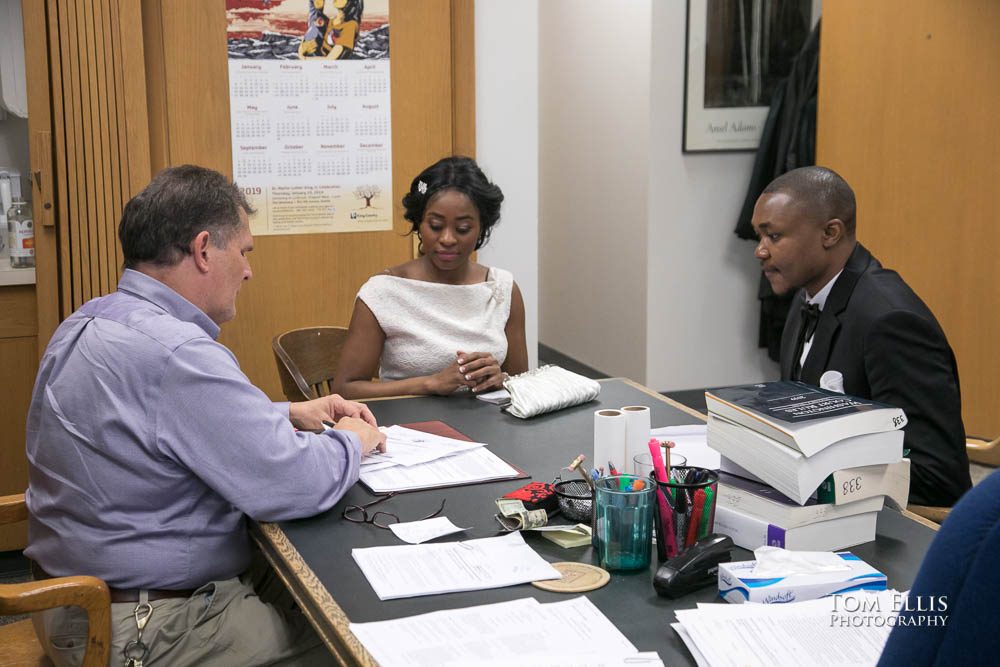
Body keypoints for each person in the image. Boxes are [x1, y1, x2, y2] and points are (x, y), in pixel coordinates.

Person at [25, 165, 386, 666]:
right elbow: (295, 481)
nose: (247, 270)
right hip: (141, 627)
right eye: (243, 251)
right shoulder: (177, 353)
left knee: (318, 584)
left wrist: (284, 413)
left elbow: (155, 427)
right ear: (202, 250)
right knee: (361, 633)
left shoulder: (87, 320)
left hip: (68, 601)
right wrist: (352, 439)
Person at [751, 166, 970, 507]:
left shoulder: (891, 321)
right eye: (759, 237)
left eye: (774, 236)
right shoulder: (805, 297)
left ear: (830, 232)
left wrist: (821, 482)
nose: (760, 251)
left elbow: (938, 478)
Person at [333, 156, 528, 399]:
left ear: (482, 229)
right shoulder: (384, 292)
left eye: (463, 229)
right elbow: (345, 389)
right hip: (407, 429)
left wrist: (501, 380)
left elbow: (524, 384)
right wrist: (429, 384)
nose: (447, 238)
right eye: (435, 225)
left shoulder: (502, 290)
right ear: (418, 224)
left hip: (489, 427)